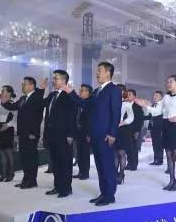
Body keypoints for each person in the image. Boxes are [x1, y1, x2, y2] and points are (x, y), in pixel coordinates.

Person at [64, 61, 121, 206]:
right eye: (97, 71)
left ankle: (110, 196)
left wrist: (112, 133)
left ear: (108, 73)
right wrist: (70, 92)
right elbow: (85, 104)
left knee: (107, 166)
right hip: (95, 135)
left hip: (106, 135)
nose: (97, 73)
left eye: (99, 70)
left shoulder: (114, 90)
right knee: (100, 166)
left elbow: (116, 113)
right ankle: (103, 193)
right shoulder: (96, 91)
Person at [139, 75, 176, 191]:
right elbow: (157, 111)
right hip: (165, 126)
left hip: (175, 127)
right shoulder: (166, 97)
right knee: (169, 155)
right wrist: (146, 106)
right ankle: (171, 180)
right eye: (168, 82)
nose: (168, 84)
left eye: (171, 82)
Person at [2, 76, 45, 189]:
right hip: (22, 133)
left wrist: (33, 132)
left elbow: (38, 117)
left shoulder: (37, 97)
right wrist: (4, 100)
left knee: (31, 157)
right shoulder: (22, 98)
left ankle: (32, 181)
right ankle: (26, 179)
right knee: (24, 157)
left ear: (31, 86)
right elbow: (12, 106)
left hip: (31, 134)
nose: (22, 86)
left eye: (24, 84)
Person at [41, 70, 77, 198]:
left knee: (65, 162)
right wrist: (41, 89)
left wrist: (70, 134)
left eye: (55, 78)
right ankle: (57, 186)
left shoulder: (69, 95)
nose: (53, 81)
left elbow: (72, 115)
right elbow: (40, 104)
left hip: (64, 135)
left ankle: (66, 188)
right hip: (52, 134)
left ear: (63, 80)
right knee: (55, 162)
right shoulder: (52, 95)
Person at [114, 84, 134, 184]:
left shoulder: (126, 104)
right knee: (114, 154)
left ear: (124, 92)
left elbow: (131, 117)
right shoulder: (111, 101)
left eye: (121, 90)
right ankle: (114, 174)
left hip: (122, 130)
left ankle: (121, 174)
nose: (119, 92)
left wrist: (123, 122)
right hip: (112, 130)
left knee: (121, 153)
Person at [73, 84, 92, 179]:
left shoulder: (90, 103)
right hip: (78, 131)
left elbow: (91, 120)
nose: (80, 92)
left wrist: (89, 133)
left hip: (86, 132)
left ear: (88, 92)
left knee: (85, 153)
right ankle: (80, 171)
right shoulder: (78, 103)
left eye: (83, 90)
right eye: (80, 90)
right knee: (79, 153)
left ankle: (85, 173)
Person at [125, 89, 144, 171]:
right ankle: (129, 163)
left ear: (134, 96)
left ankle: (134, 164)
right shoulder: (125, 104)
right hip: (125, 129)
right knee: (127, 148)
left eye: (130, 94)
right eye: (127, 94)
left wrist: (137, 131)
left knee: (133, 148)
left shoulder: (137, 106)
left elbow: (140, 119)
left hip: (134, 130)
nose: (128, 95)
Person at [148, 91, 164, 165]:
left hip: (159, 127)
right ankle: (155, 159)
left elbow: (156, 113)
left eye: (156, 96)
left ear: (161, 97)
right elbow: (151, 116)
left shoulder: (162, 105)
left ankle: (160, 160)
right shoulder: (153, 104)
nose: (154, 97)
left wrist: (146, 106)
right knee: (154, 143)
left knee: (159, 143)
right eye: (154, 95)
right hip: (153, 127)